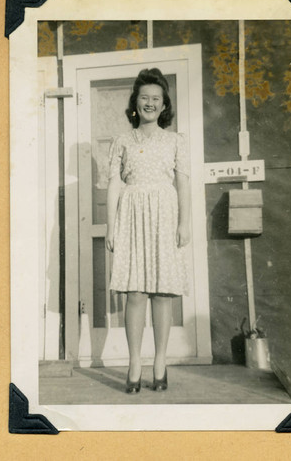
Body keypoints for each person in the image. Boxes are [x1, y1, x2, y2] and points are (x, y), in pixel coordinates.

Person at [106, 68, 191, 394]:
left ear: (164, 104)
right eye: (145, 98)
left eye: (156, 98)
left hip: (164, 216)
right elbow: (115, 183)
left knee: (162, 292)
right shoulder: (121, 141)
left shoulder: (175, 141)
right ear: (135, 103)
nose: (150, 103)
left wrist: (184, 223)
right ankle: (134, 363)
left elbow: (182, 183)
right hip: (131, 216)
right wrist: (112, 226)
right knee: (135, 293)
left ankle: (159, 362)